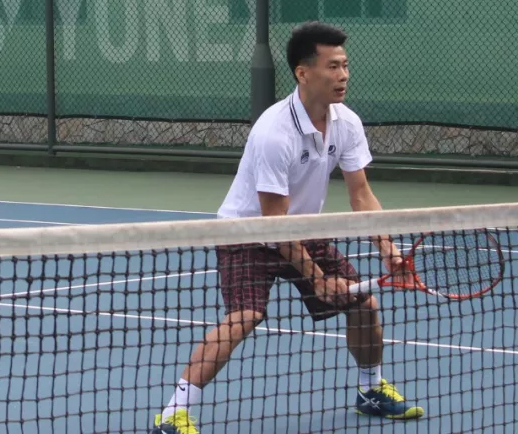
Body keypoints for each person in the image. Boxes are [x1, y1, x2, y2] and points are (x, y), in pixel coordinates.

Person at [152, 21, 424, 434]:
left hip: (302, 228)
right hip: (247, 233)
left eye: (345, 65)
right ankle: (174, 413)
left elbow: (361, 195)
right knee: (245, 316)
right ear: (303, 72)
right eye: (333, 66)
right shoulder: (273, 133)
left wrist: (388, 250)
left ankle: (371, 391)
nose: (344, 75)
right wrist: (317, 278)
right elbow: (274, 222)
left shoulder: (347, 123)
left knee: (364, 305)